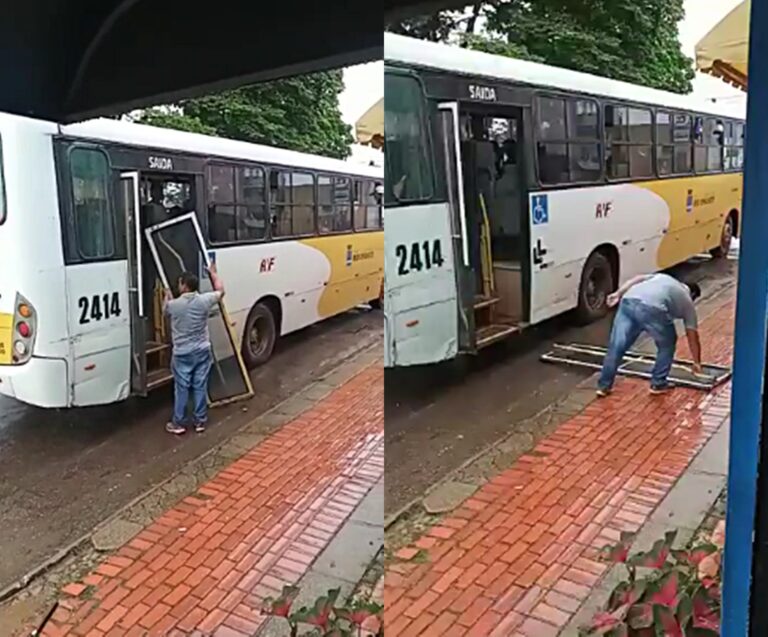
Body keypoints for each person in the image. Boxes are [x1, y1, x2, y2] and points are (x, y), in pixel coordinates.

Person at [597, 273, 703, 397]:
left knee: (617, 346)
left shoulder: (662, 277)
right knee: (667, 344)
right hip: (653, 308)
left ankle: (603, 386)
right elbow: (692, 335)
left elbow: (637, 278)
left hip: (628, 301)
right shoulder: (687, 301)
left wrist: (618, 293)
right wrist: (697, 362)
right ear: (693, 295)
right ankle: (658, 383)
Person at [163, 264, 225, 435]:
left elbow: (165, 311)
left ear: (184, 285)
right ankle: (199, 422)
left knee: (182, 388)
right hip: (203, 350)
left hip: (182, 353)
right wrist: (213, 274)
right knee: (199, 386)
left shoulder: (174, 305)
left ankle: (179, 423)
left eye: (179, 283)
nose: (178, 286)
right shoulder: (205, 300)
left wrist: (167, 295)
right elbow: (221, 290)